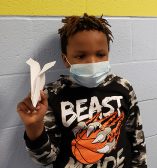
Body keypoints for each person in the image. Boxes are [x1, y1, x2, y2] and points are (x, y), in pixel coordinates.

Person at [16, 13, 147, 168]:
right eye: (81, 56)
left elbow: (136, 140)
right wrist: (34, 126)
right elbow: (45, 159)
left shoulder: (123, 87)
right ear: (66, 59)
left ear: (108, 54)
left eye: (100, 54)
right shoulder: (52, 95)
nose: (92, 62)